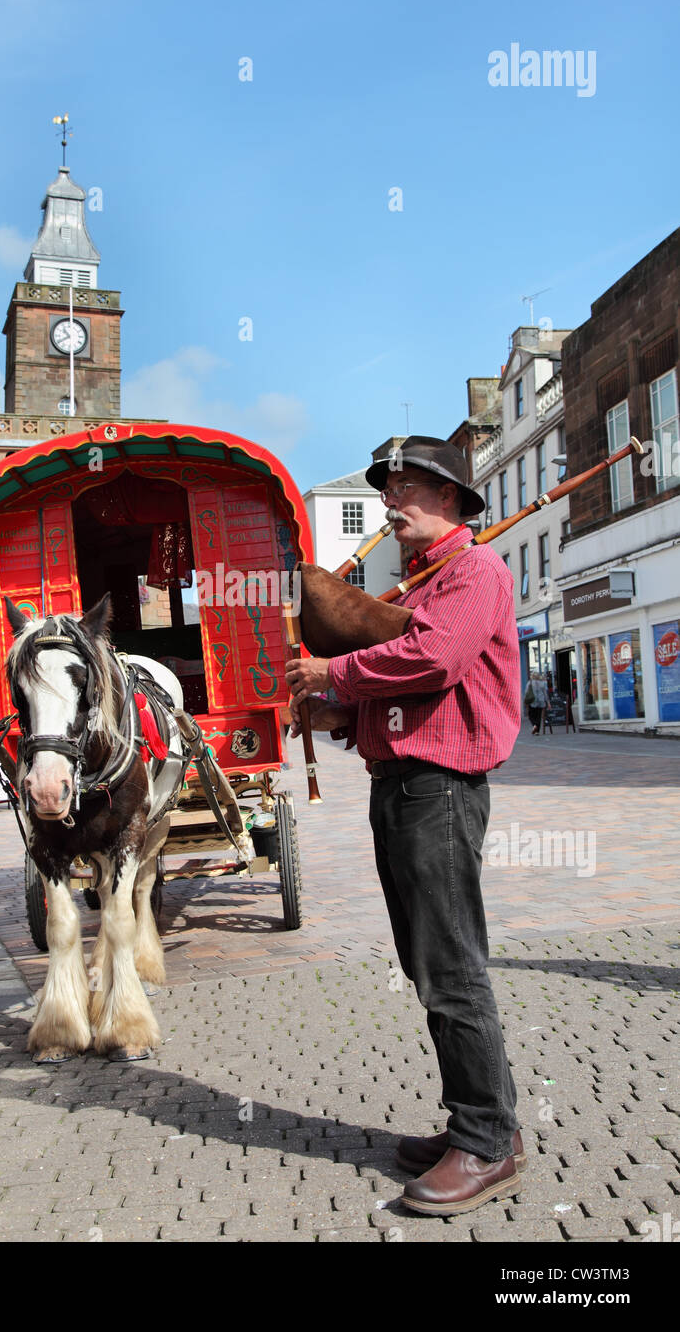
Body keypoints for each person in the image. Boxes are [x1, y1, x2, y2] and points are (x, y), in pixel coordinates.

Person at [286, 435, 524, 1216]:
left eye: (409, 489)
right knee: (432, 963)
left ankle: (486, 1144)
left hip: (440, 789)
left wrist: (335, 672)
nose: (393, 502)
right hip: (401, 785)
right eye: (389, 490)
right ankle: (486, 1122)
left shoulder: (474, 571)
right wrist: (336, 711)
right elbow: (403, 690)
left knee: (451, 967)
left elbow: (435, 662)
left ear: (451, 499)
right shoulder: (420, 581)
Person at [524, 669, 548, 735]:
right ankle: (537, 731)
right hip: (541, 702)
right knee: (538, 716)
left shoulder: (529, 683)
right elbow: (545, 694)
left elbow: (526, 693)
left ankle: (534, 725)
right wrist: (548, 703)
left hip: (532, 701)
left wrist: (525, 701)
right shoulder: (542, 683)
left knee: (531, 715)